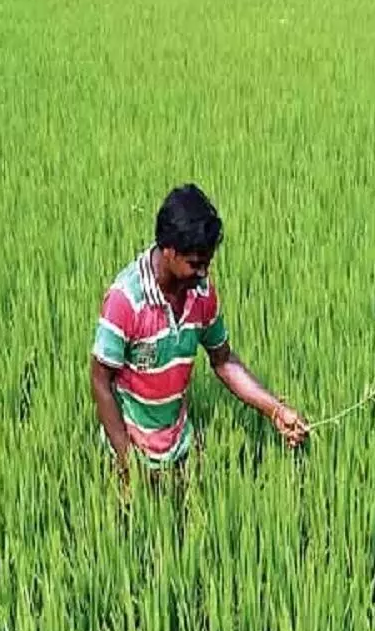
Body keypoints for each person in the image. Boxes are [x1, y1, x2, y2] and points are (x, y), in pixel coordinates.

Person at [90, 183, 308, 482]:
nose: (204, 273)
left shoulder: (201, 293)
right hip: (130, 451)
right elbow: (100, 381)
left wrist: (276, 411)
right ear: (169, 251)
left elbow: (223, 360)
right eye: (195, 264)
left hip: (179, 447)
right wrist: (129, 465)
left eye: (207, 263)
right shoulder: (126, 299)